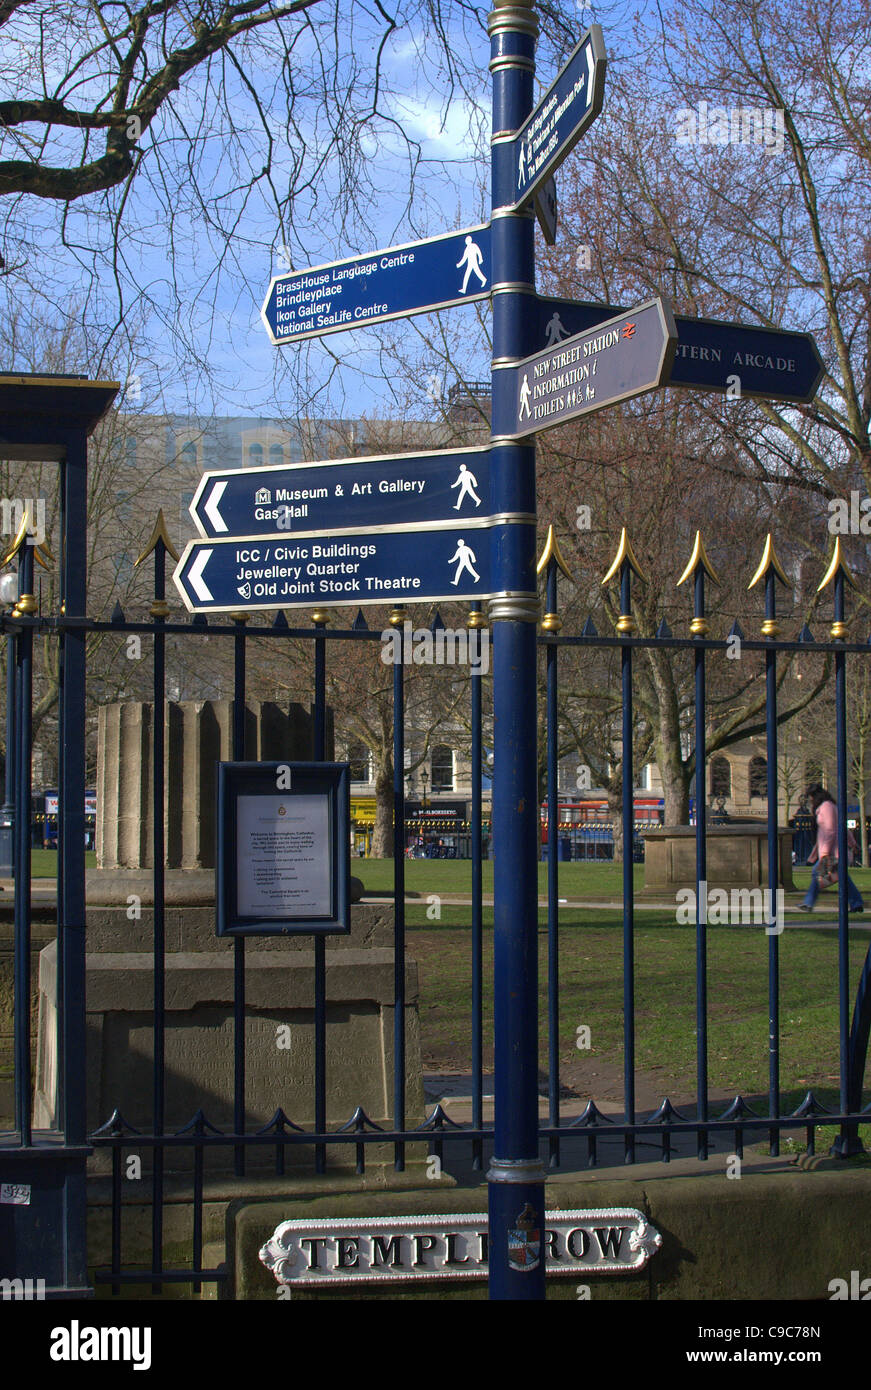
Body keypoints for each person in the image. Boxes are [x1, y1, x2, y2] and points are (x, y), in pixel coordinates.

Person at [799, 784, 863, 912]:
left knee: (818, 874)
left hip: (833, 852)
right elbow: (842, 828)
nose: (810, 801)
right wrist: (853, 844)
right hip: (835, 850)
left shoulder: (826, 807)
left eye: (810, 797)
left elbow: (830, 831)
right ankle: (856, 903)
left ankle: (808, 903)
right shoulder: (831, 806)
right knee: (841, 877)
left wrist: (825, 853)